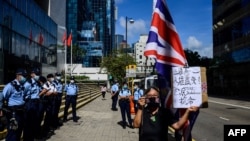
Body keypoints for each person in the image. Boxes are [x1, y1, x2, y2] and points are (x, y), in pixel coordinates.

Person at [133, 86, 199, 141]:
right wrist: (140, 108)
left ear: (159, 97)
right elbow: (136, 125)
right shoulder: (142, 111)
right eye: (149, 96)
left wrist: (188, 111)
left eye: (155, 95)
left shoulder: (165, 112)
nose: (152, 97)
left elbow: (177, 126)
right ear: (145, 98)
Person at [0, 68, 27, 141]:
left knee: (18, 132)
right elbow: (1, 96)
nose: (24, 77)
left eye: (25, 75)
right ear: (18, 75)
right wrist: (1, 109)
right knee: (13, 132)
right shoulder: (10, 85)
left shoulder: (21, 85)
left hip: (21, 111)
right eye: (23, 75)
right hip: (13, 113)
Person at [23, 68, 43, 140]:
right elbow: (23, 94)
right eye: (36, 74)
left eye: (38, 74)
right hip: (30, 103)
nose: (37, 76)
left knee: (35, 121)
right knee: (28, 123)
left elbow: (40, 91)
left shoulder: (37, 83)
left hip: (36, 103)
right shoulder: (28, 84)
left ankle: (32, 137)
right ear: (31, 74)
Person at [41, 73, 58, 137]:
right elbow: (45, 94)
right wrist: (51, 93)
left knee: (50, 115)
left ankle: (47, 129)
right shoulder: (45, 84)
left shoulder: (53, 84)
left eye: (53, 77)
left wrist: (51, 93)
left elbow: (56, 92)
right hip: (46, 101)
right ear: (48, 78)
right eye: (51, 77)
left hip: (52, 101)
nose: (52, 78)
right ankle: (44, 131)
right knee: (45, 116)